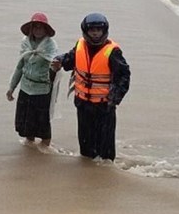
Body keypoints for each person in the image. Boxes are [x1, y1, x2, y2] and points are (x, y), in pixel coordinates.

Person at [49, 12, 130, 161]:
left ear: (104, 31)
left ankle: (105, 174)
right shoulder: (80, 45)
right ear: (86, 31)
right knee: (86, 148)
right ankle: (87, 171)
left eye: (99, 30)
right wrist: (60, 60)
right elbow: (70, 60)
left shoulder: (113, 51)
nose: (95, 34)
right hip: (83, 104)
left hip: (104, 106)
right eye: (92, 30)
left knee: (105, 151)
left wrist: (115, 98)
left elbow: (124, 76)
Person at [7, 12, 58, 146]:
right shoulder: (25, 43)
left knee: (43, 126)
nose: (37, 30)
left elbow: (55, 69)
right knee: (26, 125)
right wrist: (11, 87)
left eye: (41, 27)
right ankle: (31, 151)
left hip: (42, 90)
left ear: (46, 30)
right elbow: (19, 67)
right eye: (35, 27)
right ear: (31, 29)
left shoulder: (50, 46)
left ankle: (45, 149)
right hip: (25, 88)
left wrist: (56, 67)